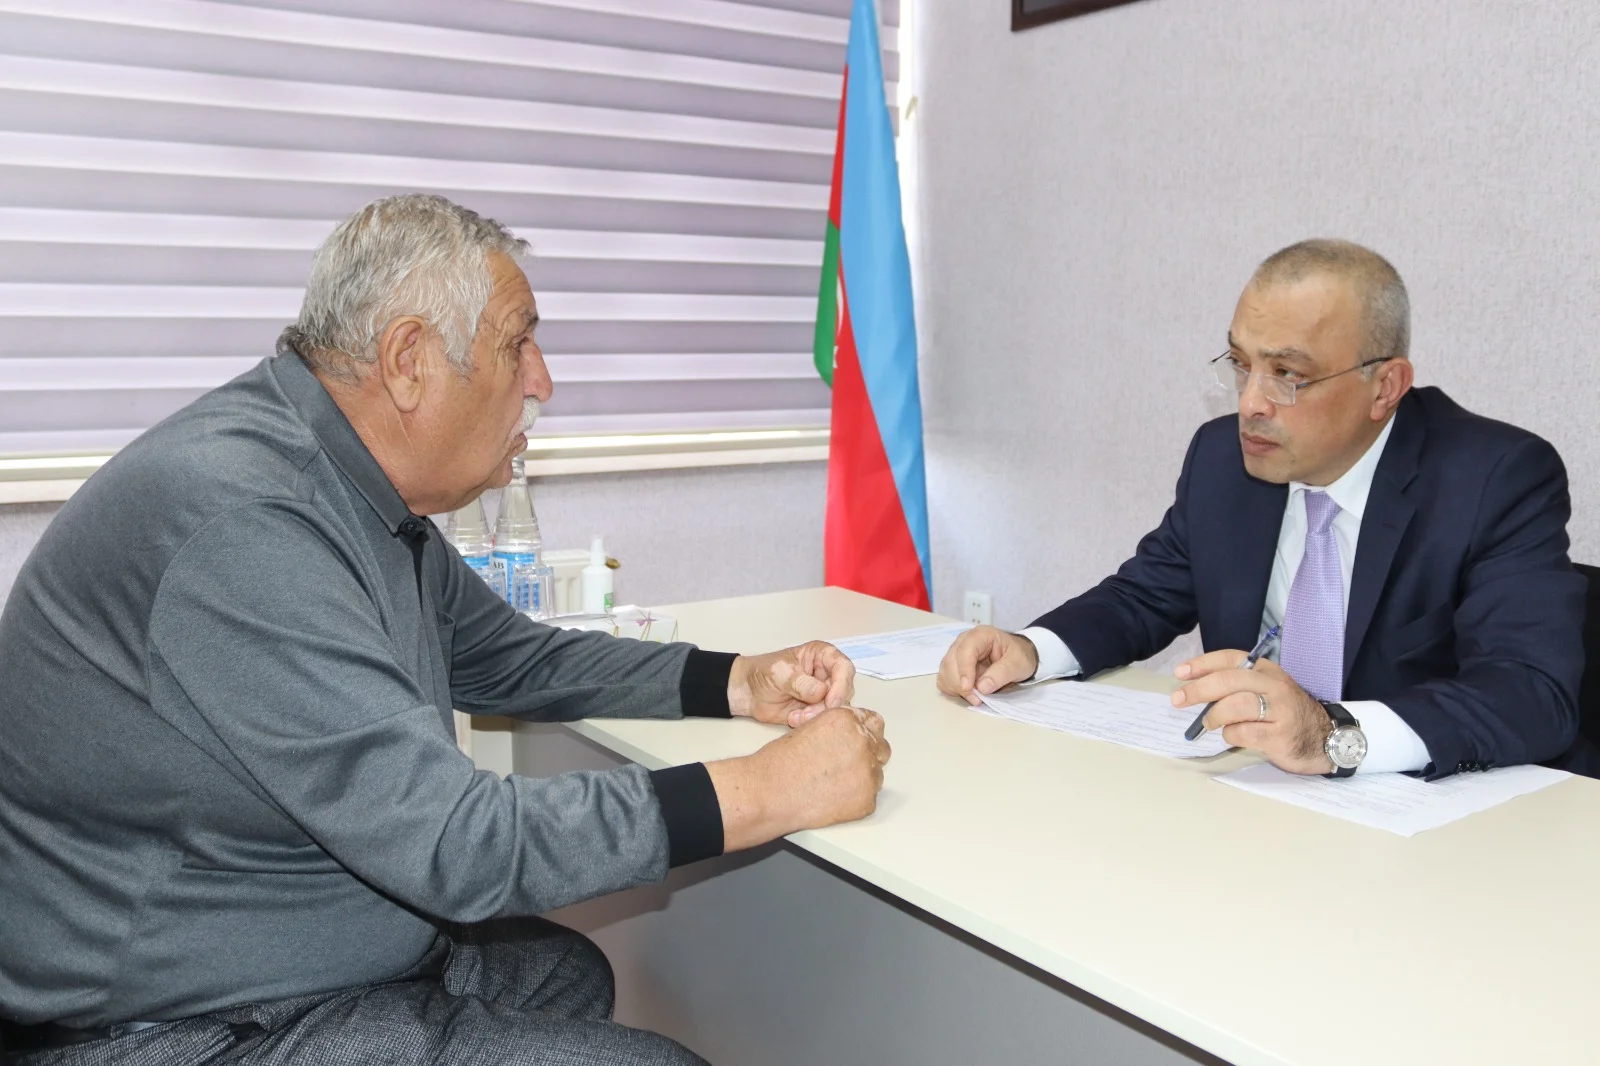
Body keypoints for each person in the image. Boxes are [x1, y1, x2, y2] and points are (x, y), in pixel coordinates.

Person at [0, 194, 891, 1065]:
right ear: (409, 360)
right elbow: (458, 845)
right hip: (172, 1022)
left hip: (267, 931)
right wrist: (767, 790)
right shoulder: (244, 529)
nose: (542, 381)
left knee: (564, 973)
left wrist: (733, 680)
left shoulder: (346, 484)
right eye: (517, 344)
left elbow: (504, 655)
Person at [938, 239, 1593, 779]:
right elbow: (1144, 596)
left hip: (1443, 820)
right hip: (1262, 803)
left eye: (1288, 376)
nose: (1251, 403)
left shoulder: (1493, 479)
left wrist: (1331, 734)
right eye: (1241, 363)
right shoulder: (1224, 459)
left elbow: (1531, 692)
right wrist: (1031, 649)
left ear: (1385, 387)